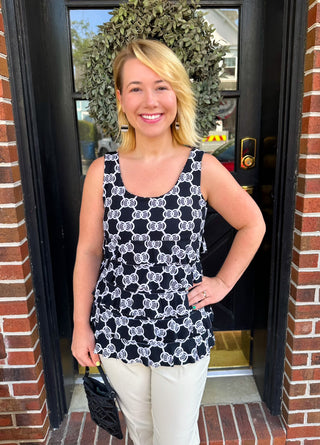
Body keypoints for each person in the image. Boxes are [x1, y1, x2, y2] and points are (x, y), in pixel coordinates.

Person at [71, 39, 266, 445]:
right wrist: (80, 325)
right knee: (141, 433)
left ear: (176, 92)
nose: (150, 100)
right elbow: (89, 251)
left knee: (175, 437)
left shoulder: (203, 168)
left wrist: (223, 283)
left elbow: (253, 224)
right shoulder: (101, 172)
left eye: (161, 85)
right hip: (116, 326)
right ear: (121, 100)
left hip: (181, 325)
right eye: (136, 87)